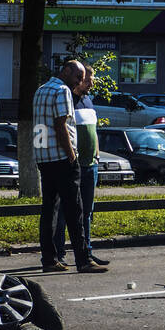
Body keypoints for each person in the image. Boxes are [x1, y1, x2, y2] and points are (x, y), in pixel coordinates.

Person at [34, 59, 105, 274]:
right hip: (63, 159)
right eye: (78, 77)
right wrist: (72, 155)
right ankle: (83, 260)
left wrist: (40, 154)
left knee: (49, 211)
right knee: (75, 210)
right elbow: (60, 124)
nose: (79, 83)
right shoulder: (62, 91)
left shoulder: (41, 90)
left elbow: (39, 125)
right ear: (66, 71)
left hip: (45, 158)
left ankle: (49, 259)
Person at [53, 65, 109, 266]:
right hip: (73, 165)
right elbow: (62, 130)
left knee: (87, 212)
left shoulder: (88, 101)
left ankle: (87, 251)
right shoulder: (68, 101)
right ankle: (58, 254)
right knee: (62, 213)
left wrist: (97, 156)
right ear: (78, 79)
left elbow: (93, 132)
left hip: (90, 165)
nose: (91, 84)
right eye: (87, 80)